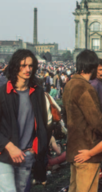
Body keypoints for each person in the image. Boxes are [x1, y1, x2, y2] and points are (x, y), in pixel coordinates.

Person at [0, 50, 48, 192]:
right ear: (15, 67)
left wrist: (37, 147)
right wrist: (9, 146)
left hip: (27, 154)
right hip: (5, 153)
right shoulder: (3, 93)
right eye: (24, 65)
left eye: (31, 66)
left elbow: (42, 123)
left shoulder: (37, 92)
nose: (28, 69)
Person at [62, 50, 102, 192]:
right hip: (88, 150)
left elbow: (64, 115)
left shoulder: (70, 84)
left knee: (74, 188)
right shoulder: (84, 87)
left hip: (75, 147)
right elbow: (96, 120)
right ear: (92, 67)